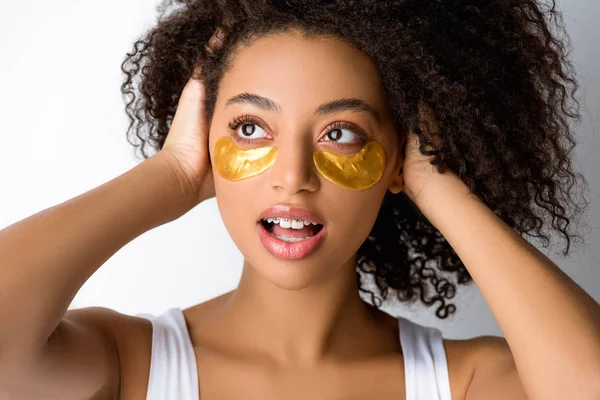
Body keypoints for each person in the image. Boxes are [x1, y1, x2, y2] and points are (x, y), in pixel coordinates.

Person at [1, 0, 599, 399]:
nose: (293, 176)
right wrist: (173, 174)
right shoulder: (132, 364)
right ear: (206, 140)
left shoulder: (464, 382)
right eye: (251, 129)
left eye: (341, 134)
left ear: (396, 158)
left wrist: (436, 182)